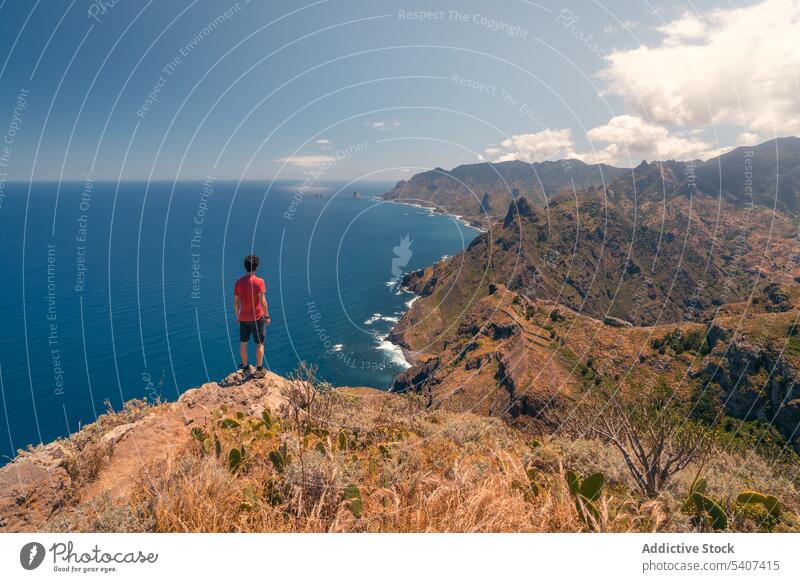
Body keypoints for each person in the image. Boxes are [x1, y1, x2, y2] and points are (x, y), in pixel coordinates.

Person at [234, 254, 269, 379]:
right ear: (256, 267)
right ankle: (259, 369)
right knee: (259, 343)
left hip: (243, 318)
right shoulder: (259, 282)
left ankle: (245, 367)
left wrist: (238, 316)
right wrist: (267, 316)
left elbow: (236, 303)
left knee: (243, 343)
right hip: (257, 318)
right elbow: (263, 301)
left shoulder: (238, 282)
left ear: (245, 266)